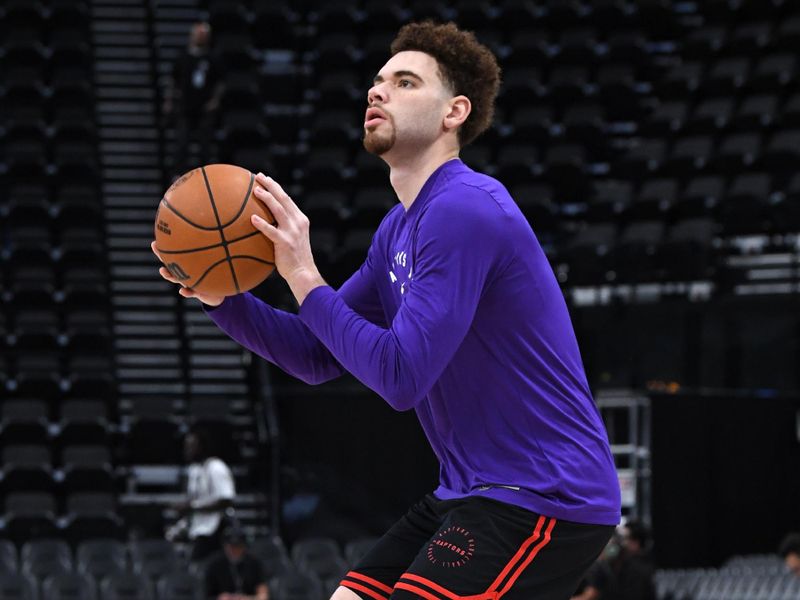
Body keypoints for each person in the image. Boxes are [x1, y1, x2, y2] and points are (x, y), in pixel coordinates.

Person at [154, 20, 620, 600]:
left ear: (454, 112)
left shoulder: (464, 210)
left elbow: (401, 376)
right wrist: (221, 297)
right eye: (377, 81)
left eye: (404, 82)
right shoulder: (397, 229)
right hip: (468, 491)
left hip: (546, 494)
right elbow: (315, 354)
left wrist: (303, 274)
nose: (377, 92)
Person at [162, 21, 223, 179]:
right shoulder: (182, 57)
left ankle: (207, 176)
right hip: (185, 106)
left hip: (204, 107)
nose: (201, 37)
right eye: (199, 33)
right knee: (182, 143)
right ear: (192, 35)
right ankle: (178, 175)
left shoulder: (212, 58)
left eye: (205, 34)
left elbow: (220, 82)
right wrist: (169, 101)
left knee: (205, 145)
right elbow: (173, 80)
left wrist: (215, 101)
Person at [166, 428, 236, 562]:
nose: (187, 450)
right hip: (198, 531)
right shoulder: (194, 471)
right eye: (186, 447)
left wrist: (193, 507)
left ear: (202, 447)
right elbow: (192, 505)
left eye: (191, 446)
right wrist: (178, 528)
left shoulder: (216, 467)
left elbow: (226, 500)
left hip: (216, 532)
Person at [571, 521, 656, 600]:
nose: (621, 543)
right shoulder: (625, 564)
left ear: (636, 543)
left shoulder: (636, 568)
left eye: (625, 538)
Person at [205, 526, 270, 600]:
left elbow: (263, 595)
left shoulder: (254, 563)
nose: (234, 550)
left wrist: (246, 598)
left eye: (238, 546)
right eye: (231, 546)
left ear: (244, 546)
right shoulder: (215, 564)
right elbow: (206, 595)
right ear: (225, 546)